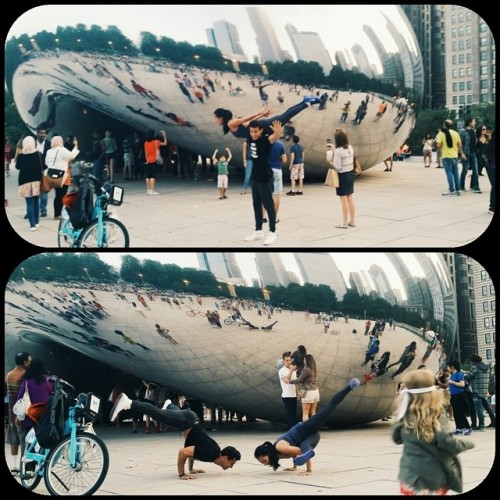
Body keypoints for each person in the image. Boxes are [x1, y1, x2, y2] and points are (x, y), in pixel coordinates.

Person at [109, 394, 241, 479]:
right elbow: (183, 452)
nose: (231, 466)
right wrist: (182, 474)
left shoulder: (213, 454)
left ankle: (170, 406)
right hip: (187, 421)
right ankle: (129, 403)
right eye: (231, 462)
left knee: (167, 414)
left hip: (189, 421)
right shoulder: (211, 453)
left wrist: (191, 469)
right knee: (158, 414)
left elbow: (193, 451)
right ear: (225, 457)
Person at [254, 378, 361, 476]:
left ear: (268, 453)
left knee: (329, 408)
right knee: (305, 446)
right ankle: (307, 455)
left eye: (264, 460)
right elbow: (294, 453)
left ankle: (350, 387)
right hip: (311, 436)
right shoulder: (278, 453)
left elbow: (299, 451)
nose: (265, 464)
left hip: (305, 428)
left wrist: (305, 465)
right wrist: (296, 466)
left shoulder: (279, 447)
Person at [392, 368, 474, 495]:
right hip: (432, 479)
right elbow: (444, 440)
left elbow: (396, 438)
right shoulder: (436, 415)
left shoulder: (406, 415)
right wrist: (465, 444)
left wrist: (401, 414)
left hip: (409, 478)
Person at [243, 120, 282, 246]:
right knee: (256, 205)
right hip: (255, 177)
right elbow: (240, 127)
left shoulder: (265, 140)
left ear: (260, 131)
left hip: (265, 176)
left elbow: (274, 137)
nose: (253, 134)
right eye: (251, 131)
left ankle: (272, 232)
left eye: (255, 131)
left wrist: (277, 131)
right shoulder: (250, 138)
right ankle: (258, 231)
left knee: (269, 205)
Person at [213, 95, 321, 141]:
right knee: (285, 115)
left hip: (266, 127)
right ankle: (305, 101)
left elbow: (246, 119)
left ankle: (307, 102)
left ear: (221, 117)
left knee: (286, 116)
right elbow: (250, 121)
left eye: (216, 118)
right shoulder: (232, 124)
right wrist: (262, 115)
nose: (215, 120)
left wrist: (259, 113)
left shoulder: (231, 123)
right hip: (264, 127)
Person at [16, 359, 55, 458]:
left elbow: (20, 399)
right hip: (43, 419)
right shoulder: (47, 383)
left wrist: (17, 416)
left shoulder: (26, 382)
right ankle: (41, 465)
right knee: (41, 443)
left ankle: (26, 469)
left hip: (28, 418)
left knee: (26, 445)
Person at [5, 352, 32, 475]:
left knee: (13, 441)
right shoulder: (25, 375)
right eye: (29, 360)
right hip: (22, 415)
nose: (30, 362)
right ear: (25, 362)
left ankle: (14, 467)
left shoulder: (9, 375)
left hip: (11, 413)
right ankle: (24, 467)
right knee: (25, 442)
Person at [44, 135, 79, 219]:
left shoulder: (49, 151)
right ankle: (58, 214)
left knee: (57, 195)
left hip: (51, 175)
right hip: (62, 176)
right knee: (62, 195)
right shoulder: (62, 150)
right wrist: (76, 145)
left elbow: (46, 162)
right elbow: (72, 156)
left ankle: (57, 213)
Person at [326, 128, 356, 229]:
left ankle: (344, 223)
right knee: (350, 199)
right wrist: (335, 150)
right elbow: (344, 155)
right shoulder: (350, 148)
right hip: (350, 174)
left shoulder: (338, 151)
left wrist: (329, 161)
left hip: (342, 176)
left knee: (343, 200)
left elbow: (338, 167)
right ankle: (352, 221)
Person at [15, 136, 44, 231]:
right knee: (36, 202)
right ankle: (37, 223)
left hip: (24, 181)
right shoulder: (38, 154)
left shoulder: (21, 155)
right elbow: (43, 166)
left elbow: (17, 167)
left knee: (29, 203)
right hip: (36, 181)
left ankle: (32, 225)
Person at [465, 354, 496, 430]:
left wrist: (465, 373)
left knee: (479, 408)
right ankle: (494, 421)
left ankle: (481, 424)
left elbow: (467, 377)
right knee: (487, 407)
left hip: (477, 390)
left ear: (473, 361)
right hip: (484, 390)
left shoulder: (474, 367)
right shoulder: (486, 367)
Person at [286, 353, 319, 421]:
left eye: (304, 360)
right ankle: (314, 428)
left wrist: (290, 381)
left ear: (307, 361)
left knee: (305, 414)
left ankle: (305, 430)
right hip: (315, 392)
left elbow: (300, 380)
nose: (303, 361)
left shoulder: (306, 370)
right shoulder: (314, 369)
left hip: (308, 392)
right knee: (313, 412)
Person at [436, 119, 462, 196]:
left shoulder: (441, 134)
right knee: (456, 173)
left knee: (449, 173)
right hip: (454, 155)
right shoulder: (456, 133)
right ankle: (458, 190)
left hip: (446, 156)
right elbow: (460, 145)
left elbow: (438, 145)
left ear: (444, 125)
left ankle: (451, 190)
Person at [447, 360, 472, 435]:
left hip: (460, 395)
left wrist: (452, 382)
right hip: (453, 395)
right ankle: (459, 428)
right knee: (455, 413)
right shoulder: (452, 375)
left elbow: (462, 384)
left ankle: (468, 427)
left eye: (448, 367)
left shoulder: (459, 374)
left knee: (460, 412)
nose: (447, 368)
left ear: (452, 367)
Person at [459, 117, 481, 193]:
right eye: (474, 122)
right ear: (469, 123)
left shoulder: (474, 131)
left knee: (475, 170)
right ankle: (461, 186)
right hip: (466, 154)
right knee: (464, 170)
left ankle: (475, 186)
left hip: (473, 153)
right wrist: (461, 153)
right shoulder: (463, 132)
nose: (475, 123)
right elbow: (459, 144)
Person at [143, 129, 167, 196]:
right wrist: (164, 136)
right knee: (153, 176)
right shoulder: (156, 142)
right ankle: (152, 190)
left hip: (148, 160)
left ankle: (148, 190)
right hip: (154, 160)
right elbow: (165, 143)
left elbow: (146, 153)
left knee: (148, 176)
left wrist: (147, 160)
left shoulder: (146, 143)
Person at [278, 351, 298, 429]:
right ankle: (291, 430)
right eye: (287, 360)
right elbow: (286, 380)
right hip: (286, 395)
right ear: (283, 361)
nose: (289, 362)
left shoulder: (293, 371)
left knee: (293, 413)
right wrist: (291, 371)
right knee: (290, 414)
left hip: (293, 395)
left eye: (290, 360)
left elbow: (296, 382)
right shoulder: (282, 371)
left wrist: (298, 393)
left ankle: (293, 429)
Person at [485, 129, 495, 214]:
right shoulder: (491, 144)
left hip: (491, 166)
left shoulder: (490, 143)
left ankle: (492, 206)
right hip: (492, 166)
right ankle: (492, 207)